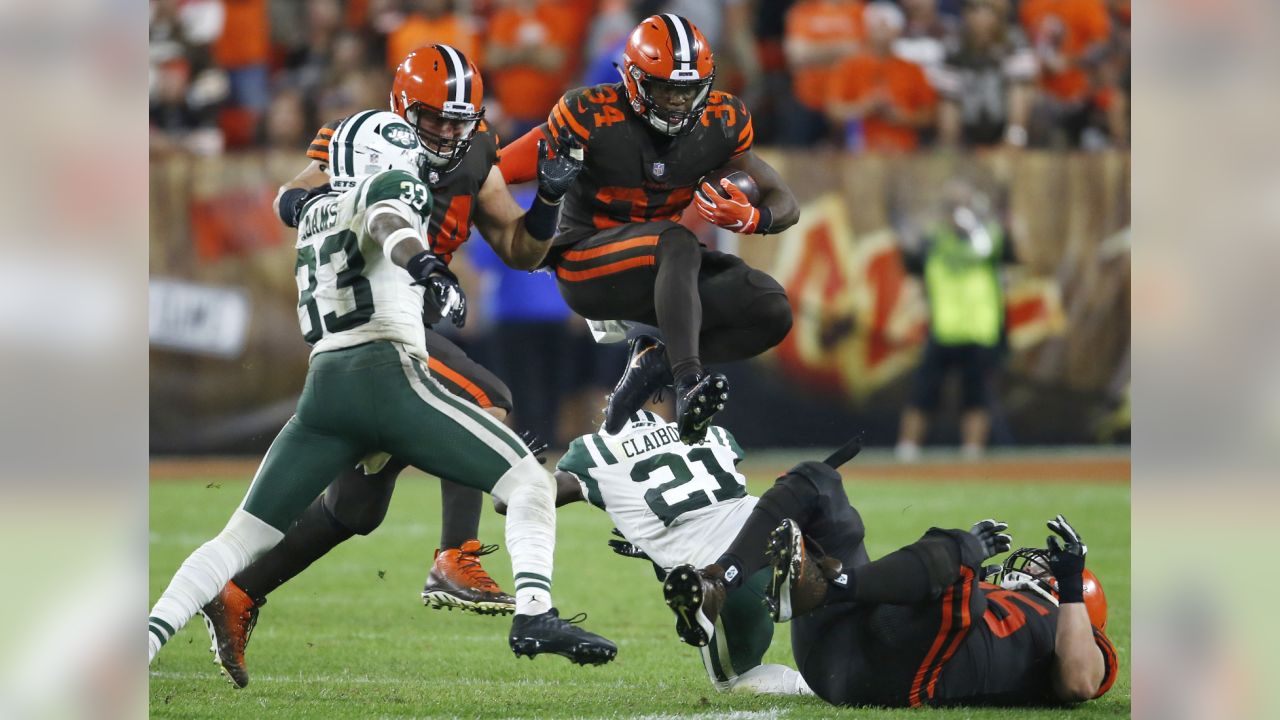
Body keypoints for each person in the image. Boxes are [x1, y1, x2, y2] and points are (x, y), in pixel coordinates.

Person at [148, 111, 616, 681]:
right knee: (529, 479)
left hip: (326, 389)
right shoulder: (389, 185)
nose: (423, 154)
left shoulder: (318, 213)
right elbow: (390, 219)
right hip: (387, 373)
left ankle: (148, 640)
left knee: (262, 532)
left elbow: (325, 205)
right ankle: (517, 601)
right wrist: (427, 267)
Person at [500, 13, 800, 445]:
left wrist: (756, 219)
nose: (679, 102)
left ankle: (655, 364)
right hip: (587, 264)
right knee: (675, 240)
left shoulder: (721, 122)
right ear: (634, 80)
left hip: (662, 269)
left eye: (688, 90)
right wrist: (520, 235)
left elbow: (784, 200)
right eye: (666, 89)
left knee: (771, 310)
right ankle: (688, 382)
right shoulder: (591, 114)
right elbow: (498, 171)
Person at [660, 443, 1120, 707]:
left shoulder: (1061, 624)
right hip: (840, 646)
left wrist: (1070, 586)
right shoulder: (1004, 600)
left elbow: (1079, 681)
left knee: (959, 550)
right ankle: (719, 581)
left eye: (1045, 567)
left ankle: (826, 585)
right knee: (818, 482)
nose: (1030, 564)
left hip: (894, 676)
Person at [514, 409, 811, 695]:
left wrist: (518, 467)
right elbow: (709, 501)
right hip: (778, 543)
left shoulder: (596, 451)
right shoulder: (711, 434)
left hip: (719, 577)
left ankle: (809, 686)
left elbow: (518, 500)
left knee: (734, 679)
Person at [895, 179, 1016, 461]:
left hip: (980, 330)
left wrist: (973, 225)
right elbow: (911, 253)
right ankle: (906, 453)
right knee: (923, 395)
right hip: (943, 329)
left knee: (977, 397)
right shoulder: (934, 238)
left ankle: (972, 455)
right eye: (953, 206)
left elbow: (997, 248)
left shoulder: (989, 236)